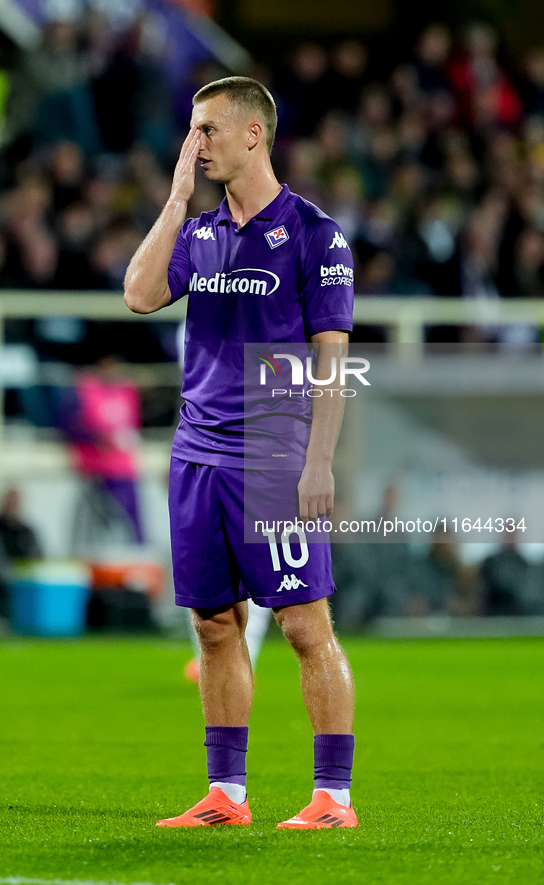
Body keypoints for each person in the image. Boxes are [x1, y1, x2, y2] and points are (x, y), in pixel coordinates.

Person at [124, 76, 357, 830]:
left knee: (301, 624)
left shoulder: (315, 234)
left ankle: (333, 797)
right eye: (192, 130)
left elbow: (330, 357)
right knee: (214, 625)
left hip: (272, 446)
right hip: (195, 450)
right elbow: (137, 293)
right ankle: (226, 792)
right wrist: (173, 201)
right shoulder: (198, 234)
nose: (196, 143)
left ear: (253, 133)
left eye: (207, 129)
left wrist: (319, 461)